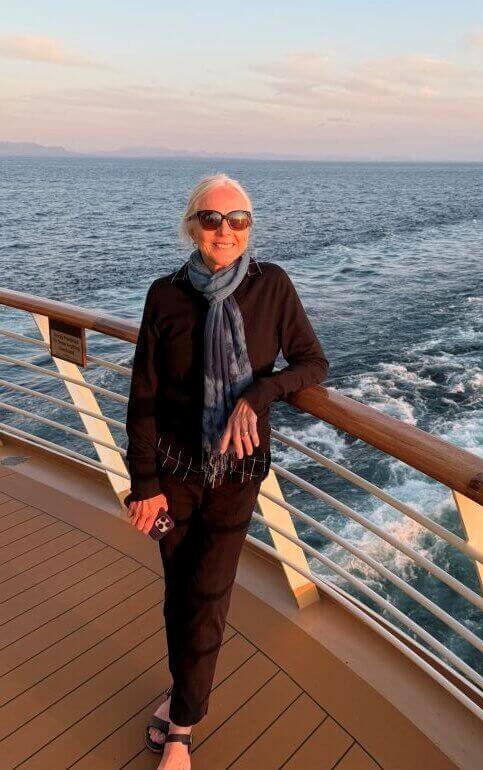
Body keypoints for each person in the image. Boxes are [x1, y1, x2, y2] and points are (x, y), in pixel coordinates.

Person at [124, 172, 329, 769]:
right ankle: (181, 693)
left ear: (249, 228)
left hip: (237, 475)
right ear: (192, 225)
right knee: (177, 596)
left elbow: (313, 362)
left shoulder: (272, 288)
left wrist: (260, 392)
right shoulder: (164, 295)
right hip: (172, 474)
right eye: (212, 219)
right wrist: (145, 486)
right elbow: (144, 396)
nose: (225, 231)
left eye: (237, 220)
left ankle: (182, 728)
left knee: (208, 596)